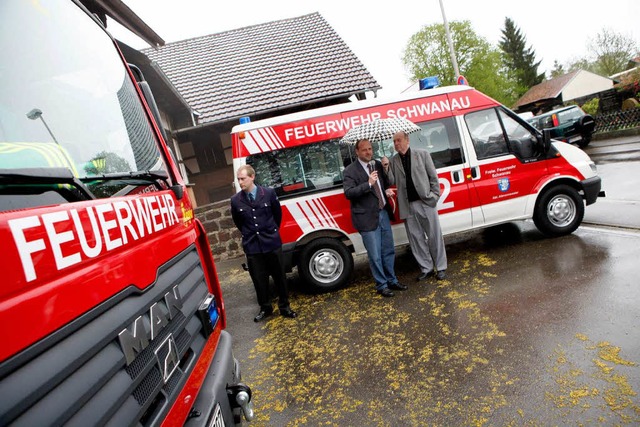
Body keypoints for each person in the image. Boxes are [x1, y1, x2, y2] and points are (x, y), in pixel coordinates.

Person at [230, 165, 297, 321]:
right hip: (253, 246)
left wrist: (270, 232)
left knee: (280, 277)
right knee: (259, 280)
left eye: (243, 178)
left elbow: (277, 215)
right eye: (238, 179)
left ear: (252, 177)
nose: (240, 182)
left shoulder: (268, 193)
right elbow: (238, 222)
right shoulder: (236, 200)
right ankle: (265, 308)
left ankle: (285, 307)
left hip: (271, 243)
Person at [343, 139, 408, 297]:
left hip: (383, 213)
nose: (368, 152)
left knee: (388, 250)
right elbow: (349, 193)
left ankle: (392, 280)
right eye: (364, 150)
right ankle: (382, 285)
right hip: (366, 218)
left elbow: (387, 183)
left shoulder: (377, 164)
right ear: (357, 152)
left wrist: (386, 169)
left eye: (370, 149)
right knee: (375, 255)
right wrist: (368, 184)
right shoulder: (350, 171)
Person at [382, 131, 448, 281]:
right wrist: (386, 167)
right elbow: (391, 180)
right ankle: (427, 268)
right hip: (407, 206)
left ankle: (441, 267)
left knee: (434, 236)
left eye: (398, 140)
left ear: (407, 140)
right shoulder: (393, 160)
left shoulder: (422, 154)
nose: (396, 143)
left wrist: (434, 196)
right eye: (394, 141)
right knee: (416, 239)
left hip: (425, 202)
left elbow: (433, 177)